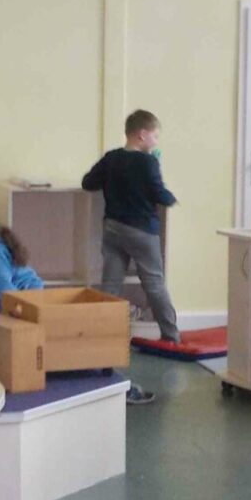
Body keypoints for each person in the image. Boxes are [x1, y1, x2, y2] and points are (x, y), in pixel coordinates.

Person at [83, 109, 178, 404]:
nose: (156, 141)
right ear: (142, 134)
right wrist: (171, 197)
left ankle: (102, 339)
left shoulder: (112, 158)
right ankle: (171, 336)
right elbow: (160, 194)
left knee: (110, 286)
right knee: (154, 283)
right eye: (155, 135)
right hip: (141, 231)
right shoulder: (148, 162)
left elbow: (88, 183)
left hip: (113, 229)